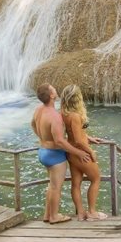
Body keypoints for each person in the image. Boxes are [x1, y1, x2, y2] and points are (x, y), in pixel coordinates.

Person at [31, 83, 89, 224]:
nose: (56, 90)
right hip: (54, 155)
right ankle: (54, 216)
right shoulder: (55, 117)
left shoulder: (39, 110)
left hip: (43, 151)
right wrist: (79, 153)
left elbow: (33, 123)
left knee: (51, 185)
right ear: (51, 95)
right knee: (56, 187)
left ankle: (47, 214)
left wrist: (42, 138)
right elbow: (60, 142)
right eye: (53, 89)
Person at [60, 84, 107, 220]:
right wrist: (90, 151)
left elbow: (74, 133)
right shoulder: (75, 116)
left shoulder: (64, 113)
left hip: (72, 153)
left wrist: (89, 137)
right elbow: (79, 140)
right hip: (81, 153)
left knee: (76, 184)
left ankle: (81, 214)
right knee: (96, 178)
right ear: (77, 98)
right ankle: (92, 212)